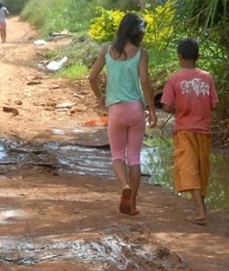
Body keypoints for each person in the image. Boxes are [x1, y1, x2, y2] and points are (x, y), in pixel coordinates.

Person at [89, 12, 157, 216]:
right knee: (134, 157)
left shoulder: (107, 51)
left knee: (118, 155)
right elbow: (145, 82)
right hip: (136, 109)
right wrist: (152, 109)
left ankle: (124, 187)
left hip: (116, 110)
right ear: (137, 33)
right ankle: (133, 205)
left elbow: (92, 77)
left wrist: (100, 96)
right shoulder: (141, 53)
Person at [161, 38, 219, 226]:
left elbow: (167, 107)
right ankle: (200, 205)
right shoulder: (207, 77)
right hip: (204, 131)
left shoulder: (174, 79)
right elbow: (214, 104)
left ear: (179, 57)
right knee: (202, 168)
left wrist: (179, 107)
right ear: (198, 56)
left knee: (188, 168)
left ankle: (200, 213)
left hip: (184, 130)